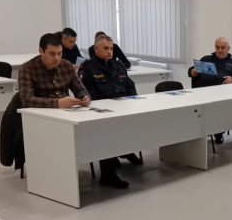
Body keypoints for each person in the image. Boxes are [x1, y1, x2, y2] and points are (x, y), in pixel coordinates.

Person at [81, 35, 143, 188]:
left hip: (123, 108)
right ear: (96, 49)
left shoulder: (118, 65)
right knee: (107, 130)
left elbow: (130, 86)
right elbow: (89, 93)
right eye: (105, 48)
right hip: (102, 112)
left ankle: (126, 151)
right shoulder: (88, 67)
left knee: (136, 124)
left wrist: (132, 103)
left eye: (111, 48)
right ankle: (107, 174)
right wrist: (111, 107)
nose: (109, 51)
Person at [189, 37, 232, 143]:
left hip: (221, 96)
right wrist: (192, 72)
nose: (219, 50)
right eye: (217, 47)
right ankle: (198, 132)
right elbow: (191, 70)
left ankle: (218, 133)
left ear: (228, 48)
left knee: (218, 111)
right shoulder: (206, 59)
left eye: (223, 48)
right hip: (201, 94)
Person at [19, 33, 90, 109]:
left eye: (59, 53)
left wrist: (85, 97)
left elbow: (80, 90)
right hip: (40, 111)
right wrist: (58, 103)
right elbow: (27, 99)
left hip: (66, 110)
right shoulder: (27, 68)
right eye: (52, 54)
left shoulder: (67, 65)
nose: (57, 58)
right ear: (41, 51)